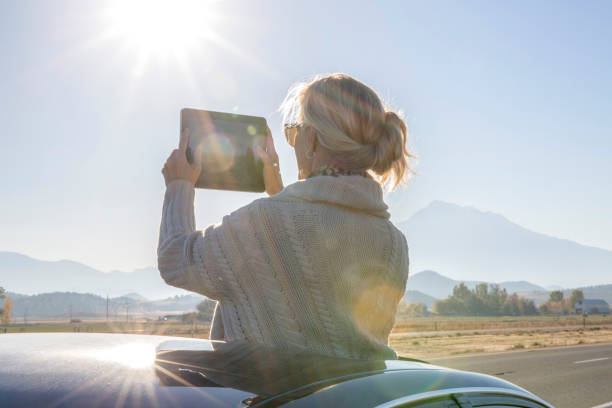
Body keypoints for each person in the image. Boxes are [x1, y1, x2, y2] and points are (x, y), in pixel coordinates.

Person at [158, 73, 414, 360]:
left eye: (294, 133)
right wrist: (278, 192)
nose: (292, 145)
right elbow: (311, 281)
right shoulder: (394, 244)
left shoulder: (265, 224)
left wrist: (179, 186)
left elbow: (175, 260)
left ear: (312, 140)